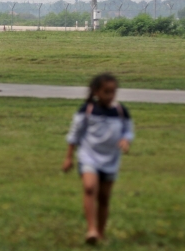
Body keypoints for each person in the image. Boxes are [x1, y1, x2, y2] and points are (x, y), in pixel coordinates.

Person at [62, 73, 134, 244]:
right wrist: (68, 157)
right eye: (106, 92)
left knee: (104, 197)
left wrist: (125, 140)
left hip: (110, 159)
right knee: (89, 188)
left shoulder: (120, 111)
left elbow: (128, 130)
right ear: (96, 92)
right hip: (89, 156)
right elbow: (75, 134)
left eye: (113, 92)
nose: (110, 96)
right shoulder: (87, 110)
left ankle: (100, 233)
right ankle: (91, 229)